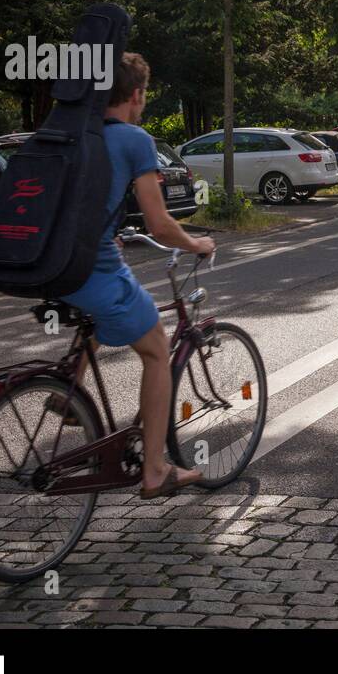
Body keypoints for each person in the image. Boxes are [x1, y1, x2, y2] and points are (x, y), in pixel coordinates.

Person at [62, 53, 216, 499]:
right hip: (93, 264)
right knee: (156, 349)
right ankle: (154, 469)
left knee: (97, 310)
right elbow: (160, 225)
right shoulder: (134, 139)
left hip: (50, 265)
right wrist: (197, 244)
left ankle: (69, 387)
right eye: (144, 96)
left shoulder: (75, 132)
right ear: (135, 95)